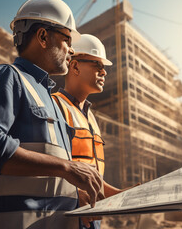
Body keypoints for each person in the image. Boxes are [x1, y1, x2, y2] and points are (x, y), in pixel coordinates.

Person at [0, 0, 104, 229]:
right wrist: (66, 167)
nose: (71, 50)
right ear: (42, 37)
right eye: (67, 39)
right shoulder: (5, 77)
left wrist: (75, 201)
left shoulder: (50, 100)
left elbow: (45, 179)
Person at [52, 34, 129, 229]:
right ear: (75, 66)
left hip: (91, 215)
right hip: (65, 214)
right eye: (97, 65)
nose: (104, 72)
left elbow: (92, 178)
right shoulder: (54, 105)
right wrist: (74, 195)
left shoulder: (91, 117)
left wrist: (121, 194)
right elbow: (47, 167)